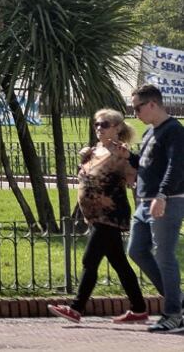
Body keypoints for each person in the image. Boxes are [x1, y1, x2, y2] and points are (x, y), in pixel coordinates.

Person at [48, 109, 148, 325]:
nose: (98, 128)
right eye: (96, 124)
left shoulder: (120, 152)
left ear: (117, 128)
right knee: (119, 263)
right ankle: (139, 308)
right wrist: (83, 160)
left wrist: (130, 161)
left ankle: (76, 308)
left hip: (111, 214)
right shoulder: (93, 151)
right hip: (94, 216)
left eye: (104, 124)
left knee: (89, 259)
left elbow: (142, 170)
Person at [127, 84, 184, 333]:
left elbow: (176, 166)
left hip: (166, 201)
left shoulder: (174, 130)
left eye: (137, 107)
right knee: (137, 250)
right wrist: (128, 157)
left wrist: (162, 195)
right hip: (144, 203)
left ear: (152, 104)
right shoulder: (151, 132)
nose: (134, 113)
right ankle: (179, 303)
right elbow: (147, 165)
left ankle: (173, 313)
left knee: (164, 256)